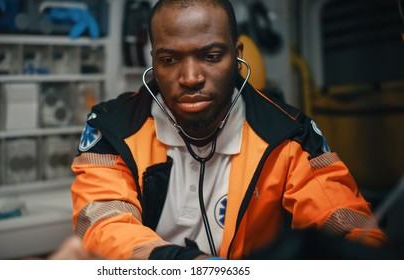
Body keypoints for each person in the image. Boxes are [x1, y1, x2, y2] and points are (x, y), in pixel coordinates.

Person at [70, 0, 388, 260]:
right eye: (170, 59)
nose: (191, 77)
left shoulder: (290, 136)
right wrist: (190, 266)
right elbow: (103, 221)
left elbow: (347, 225)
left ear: (237, 56)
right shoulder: (112, 128)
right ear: (153, 60)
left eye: (210, 56)